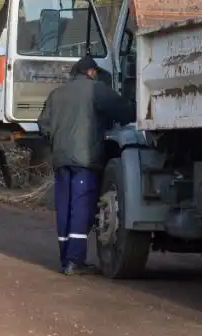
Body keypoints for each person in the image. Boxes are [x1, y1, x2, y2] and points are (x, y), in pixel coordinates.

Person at [37, 55, 135, 275]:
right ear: (92, 72)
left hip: (61, 160)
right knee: (80, 208)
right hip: (86, 159)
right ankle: (74, 261)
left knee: (64, 206)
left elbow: (43, 124)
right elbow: (124, 111)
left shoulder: (57, 94)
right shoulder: (96, 90)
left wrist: (56, 142)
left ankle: (66, 259)